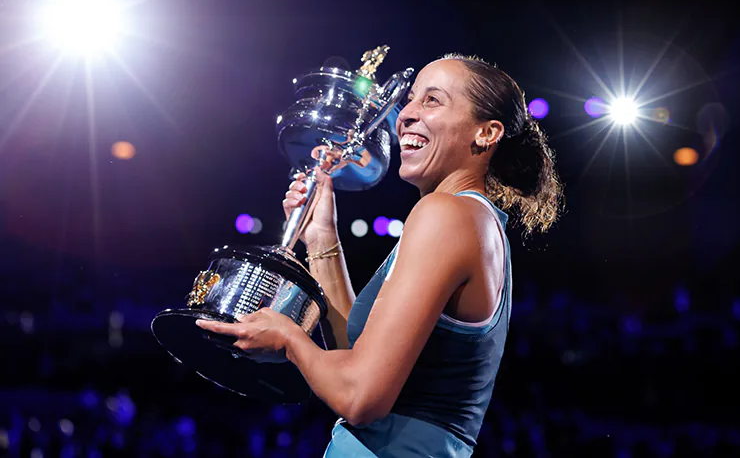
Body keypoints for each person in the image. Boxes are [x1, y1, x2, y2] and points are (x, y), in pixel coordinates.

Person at [196, 54, 563, 457]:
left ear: (486, 133)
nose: (405, 114)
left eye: (432, 100)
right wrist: (321, 238)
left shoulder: (447, 214)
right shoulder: (473, 219)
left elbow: (361, 398)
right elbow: (355, 360)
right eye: (409, 100)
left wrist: (289, 339)